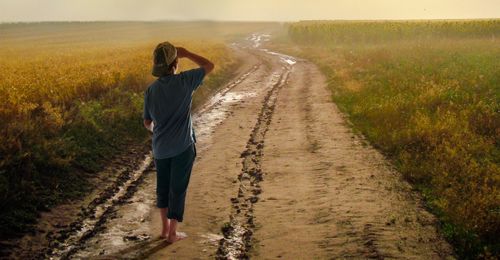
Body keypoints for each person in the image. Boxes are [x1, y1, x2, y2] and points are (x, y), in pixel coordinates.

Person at [143, 42, 214, 243]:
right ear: (175, 63)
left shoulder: (151, 91)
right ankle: (173, 234)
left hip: (160, 149)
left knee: (162, 188)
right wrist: (187, 52)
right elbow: (209, 65)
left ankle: (164, 230)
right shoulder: (185, 81)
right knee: (178, 189)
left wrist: (157, 131)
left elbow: (147, 122)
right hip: (182, 147)